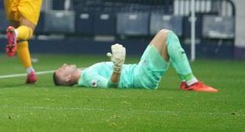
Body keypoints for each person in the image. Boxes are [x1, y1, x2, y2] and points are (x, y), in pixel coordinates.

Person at [53, 29, 218, 92]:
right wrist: (117, 67)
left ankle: (187, 81)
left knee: (165, 36)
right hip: (140, 77)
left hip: (139, 72)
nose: (64, 65)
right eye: (62, 70)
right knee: (166, 35)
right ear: (67, 78)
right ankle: (190, 82)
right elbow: (110, 87)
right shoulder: (88, 78)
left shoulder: (85, 74)